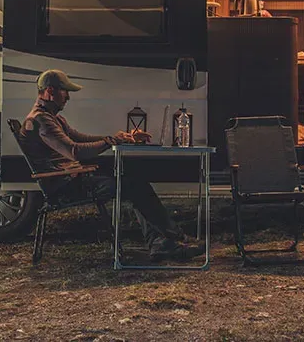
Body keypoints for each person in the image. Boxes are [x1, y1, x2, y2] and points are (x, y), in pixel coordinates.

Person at [18, 69, 204, 261]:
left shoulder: (52, 117)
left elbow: (80, 138)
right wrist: (111, 141)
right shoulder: (41, 120)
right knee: (134, 185)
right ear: (50, 91)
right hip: (65, 186)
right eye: (65, 91)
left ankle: (163, 243)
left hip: (71, 179)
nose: (68, 97)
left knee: (133, 178)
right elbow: (73, 151)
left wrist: (120, 137)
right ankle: (171, 238)